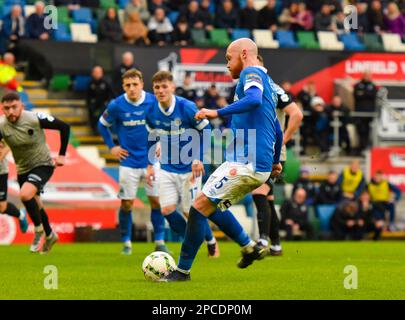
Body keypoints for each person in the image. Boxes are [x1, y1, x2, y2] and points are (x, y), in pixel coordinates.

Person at [160, 38, 283, 281]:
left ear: (245, 53)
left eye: (229, 58)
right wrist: (276, 160)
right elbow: (277, 128)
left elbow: (254, 100)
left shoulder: (251, 73)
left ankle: (182, 271)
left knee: (199, 206)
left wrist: (216, 111)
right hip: (251, 163)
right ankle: (249, 247)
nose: (227, 64)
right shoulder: (266, 81)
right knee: (208, 204)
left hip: (246, 162)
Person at [145, 70, 219, 260]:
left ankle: (210, 240)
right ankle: (193, 240)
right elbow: (154, 136)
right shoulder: (151, 112)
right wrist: (152, 160)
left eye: (164, 86)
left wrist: (198, 157)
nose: (160, 90)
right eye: (157, 87)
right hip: (167, 167)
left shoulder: (187, 107)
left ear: (172, 87)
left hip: (190, 168)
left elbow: (207, 130)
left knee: (190, 211)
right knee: (167, 210)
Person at [98, 69, 168, 255]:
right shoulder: (116, 105)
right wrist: (111, 147)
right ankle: (127, 242)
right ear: (123, 87)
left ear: (142, 84)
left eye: (135, 84)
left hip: (151, 161)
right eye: (128, 85)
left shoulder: (154, 101)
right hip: (128, 162)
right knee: (126, 203)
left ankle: (159, 240)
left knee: (156, 201)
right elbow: (102, 124)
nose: (132, 88)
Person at [0, 92, 70, 253]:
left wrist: (61, 155)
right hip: (22, 168)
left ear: (22, 107)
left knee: (25, 194)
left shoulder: (33, 118)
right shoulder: (2, 125)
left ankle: (38, 230)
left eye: (14, 107)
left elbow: (64, 126)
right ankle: (49, 234)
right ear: (2, 109)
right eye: (6, 108)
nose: (11, 112)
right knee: (37, 203)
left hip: (43, 164)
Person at [252, 54, 303, 256]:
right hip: (258, 149)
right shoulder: (252, 89)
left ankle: (263, 239)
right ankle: (276, 244)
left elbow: (296, 113)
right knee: (268, 197)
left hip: (270, 151)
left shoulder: (272, 88)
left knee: (259, 193)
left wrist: (285, 139)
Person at [0, 141, 28, 233]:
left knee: (2, 207)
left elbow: (10, 143)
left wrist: (2, 153)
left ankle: (21, 215)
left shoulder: (2, 130)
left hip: (1, 172)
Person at [353, 71, 378, 154]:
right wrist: (367, 94)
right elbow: (357, 96)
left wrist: (363, 93)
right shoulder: (358, 85)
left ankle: (367, 148)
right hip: (359, 114)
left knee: (369, 131)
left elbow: (373, 96)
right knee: (360, 131)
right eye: (365, 75)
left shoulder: (373, 86)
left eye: (368, 75)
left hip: (370, 114)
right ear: (363, 76)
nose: (367, 77)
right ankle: (361, 148)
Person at [86, 65, 114, 134]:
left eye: (99, 72)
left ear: (102, 73)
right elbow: (87, 96)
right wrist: (90, 104)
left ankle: (106, 129)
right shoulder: (90, 83)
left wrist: (108, 103)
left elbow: (112, 94)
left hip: (104, 104)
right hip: (94, 104)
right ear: (92, 73)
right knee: (92, 112)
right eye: (95, 72)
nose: (97, 74)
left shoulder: (106, 82)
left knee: (105, 113)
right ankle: (94, 129)